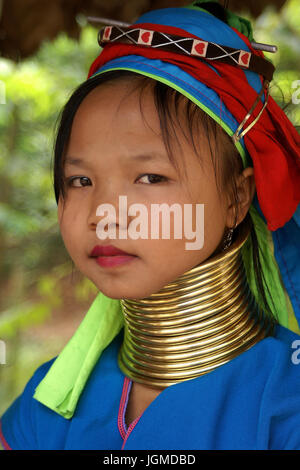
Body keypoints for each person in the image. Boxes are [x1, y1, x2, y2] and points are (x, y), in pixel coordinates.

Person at [1, 0, 300, 450]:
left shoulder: (286, 401)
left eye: (149, 177)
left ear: (237, 197)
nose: (104, 213)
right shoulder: (46, 407)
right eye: (79, 180)